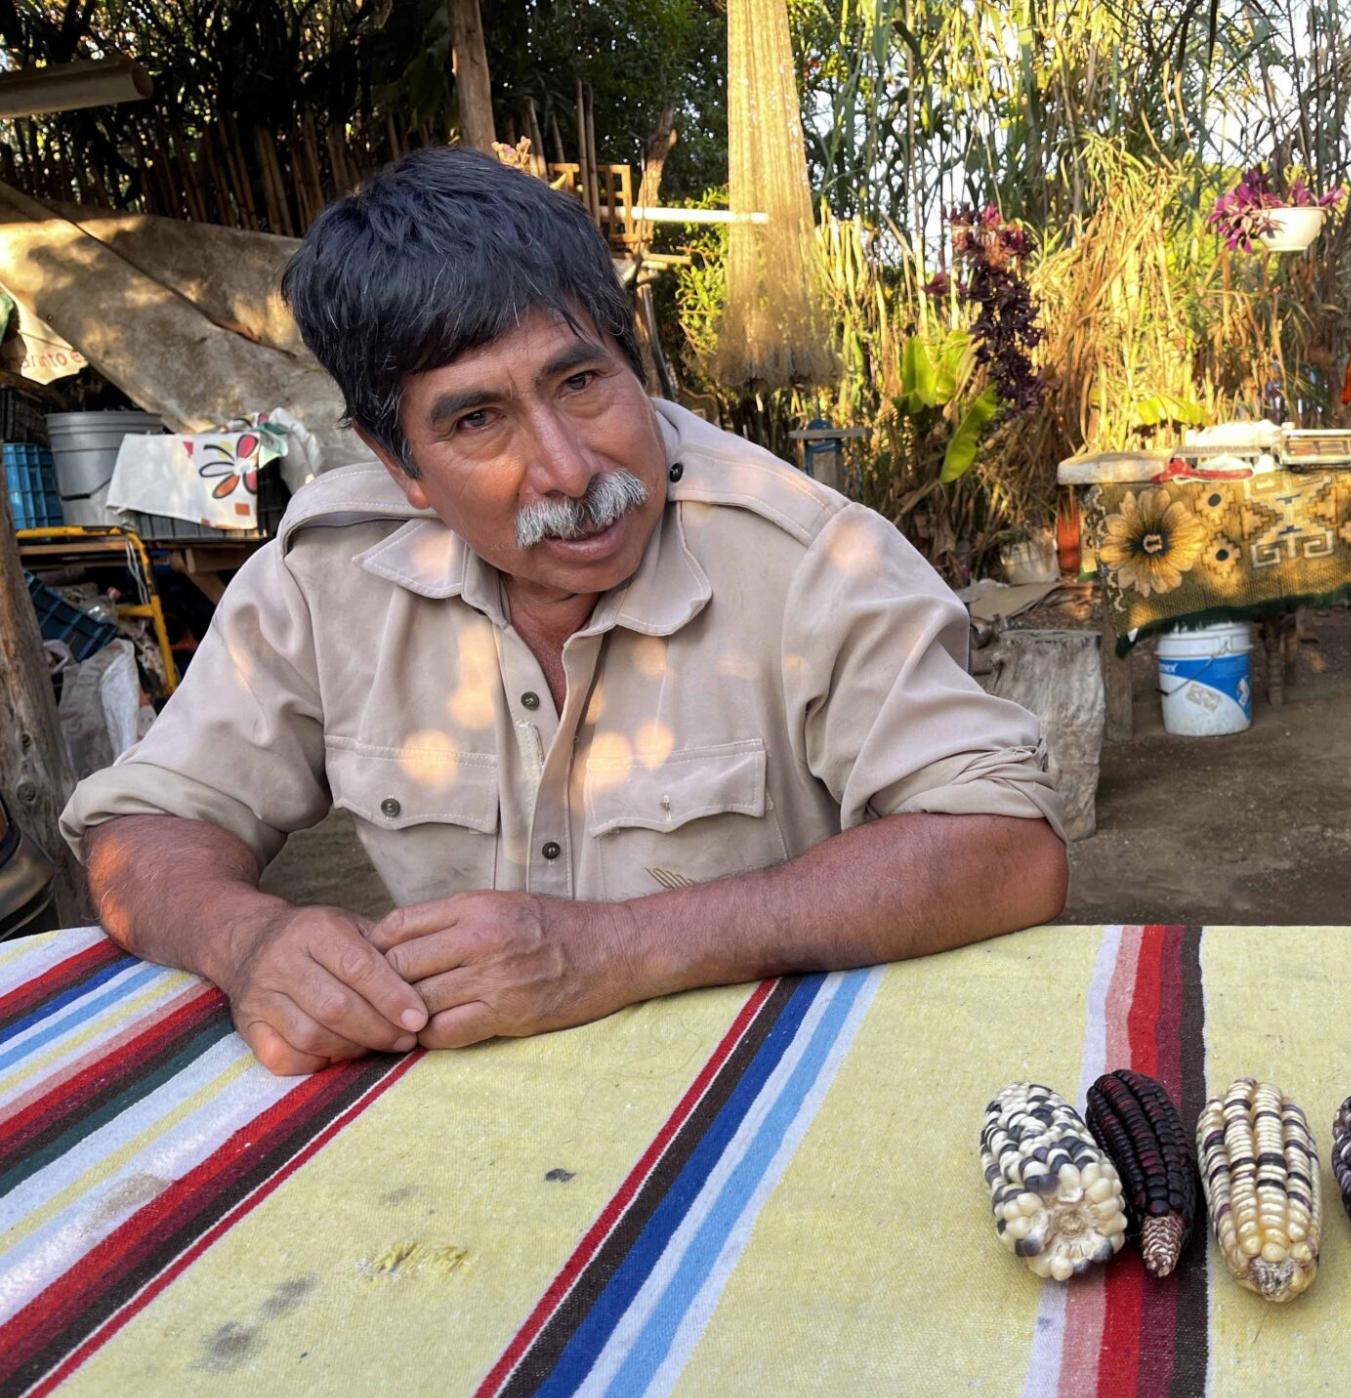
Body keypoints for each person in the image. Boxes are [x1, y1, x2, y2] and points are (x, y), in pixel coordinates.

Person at [62, 149, 1068, 1076]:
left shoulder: (807, 555)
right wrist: (249, 943)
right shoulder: (325, 572)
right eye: (475, 420)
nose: (569, 470)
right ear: (398, 465)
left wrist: (619, 947)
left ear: (636, 363)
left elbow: (1005, 846)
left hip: (765, 1095)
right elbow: (143, 829)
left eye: (580, 382)